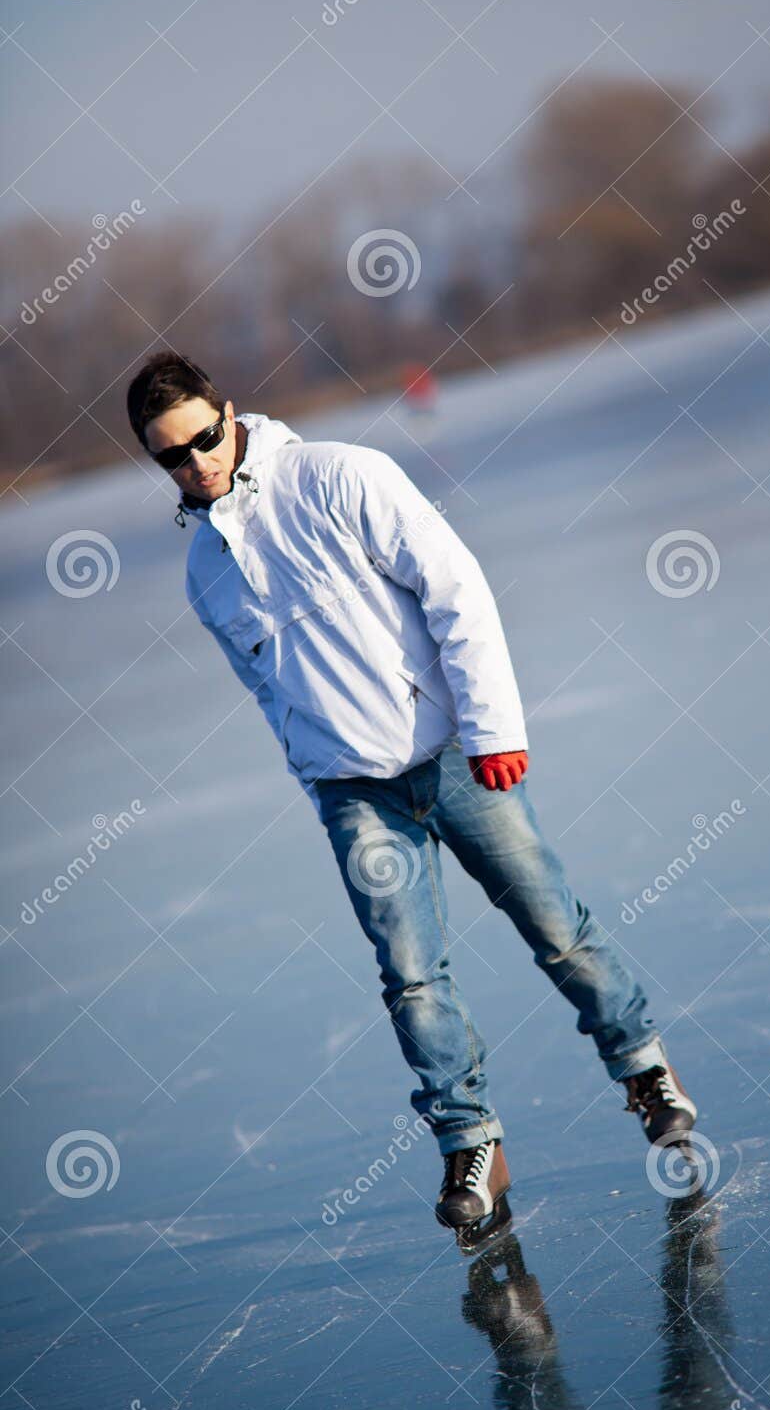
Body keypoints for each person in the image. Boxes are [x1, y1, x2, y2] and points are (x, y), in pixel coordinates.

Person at [126, 351, 697, 1248]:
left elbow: (454, 587)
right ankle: (471, 1146)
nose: (196, 461)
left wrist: (493, 726)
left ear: (230, 414)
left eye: (204, 437)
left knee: (553, 925)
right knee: (410, 976)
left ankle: (645, 1071)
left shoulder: (340, 476)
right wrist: (316, 779)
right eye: (172, 456)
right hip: (356, 793)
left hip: (455, 757)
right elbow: (266, 689)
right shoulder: (206, 570)